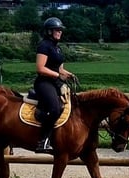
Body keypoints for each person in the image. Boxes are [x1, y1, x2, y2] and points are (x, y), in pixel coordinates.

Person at [34, 17, 74, 154]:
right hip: (44, 82)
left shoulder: (57, 48)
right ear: (49, 31)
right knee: (55, 109)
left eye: (60, 30)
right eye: (57, 30)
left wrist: (69, 74)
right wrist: (58, 76)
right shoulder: (44, 46)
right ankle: (43, 141)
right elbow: (40, 68)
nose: (60, 32)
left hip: (56, 82)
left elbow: (60, 69)